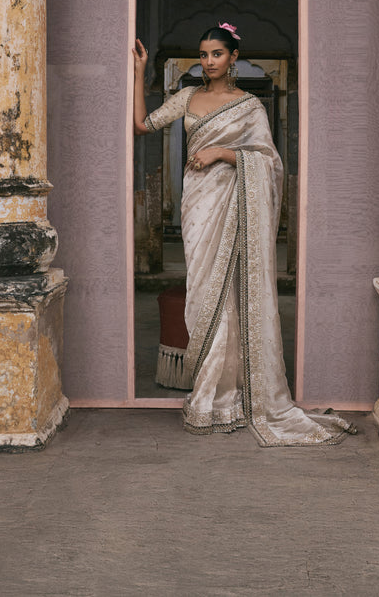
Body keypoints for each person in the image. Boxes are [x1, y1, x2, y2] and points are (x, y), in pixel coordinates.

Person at [133, 23, 357, 446]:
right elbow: (142, 125)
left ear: (233, 57)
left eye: (217, 53)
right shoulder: (187, 96)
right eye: (203, 54)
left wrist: (222, 152)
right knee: (202, 292)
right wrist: (139, 74)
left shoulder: (250, 106)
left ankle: (229, 397)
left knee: (234, 292)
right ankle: (209, 392)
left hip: (234, 199)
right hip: (198, 202)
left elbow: (269, 161)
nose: (208, 61)